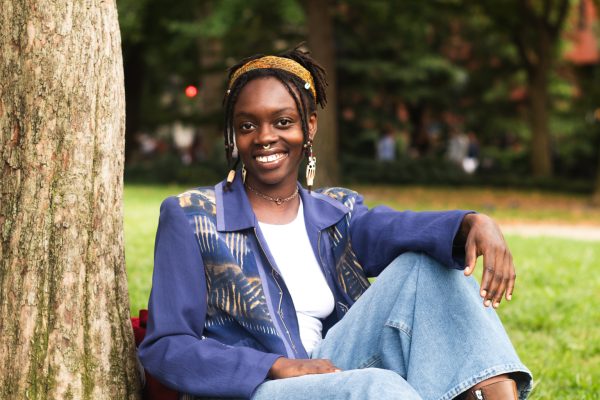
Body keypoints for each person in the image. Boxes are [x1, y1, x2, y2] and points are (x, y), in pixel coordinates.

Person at [138, 47, 532, 400]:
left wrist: (472, 223)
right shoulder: (193, 215)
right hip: (258, 389)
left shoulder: (336, 211)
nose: (264, 137)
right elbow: (167, 345)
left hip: (332, 366)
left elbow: (399, 228)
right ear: (234, 135)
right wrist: (275, 366)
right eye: (247, 126)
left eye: (282, 122)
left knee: (428, 265)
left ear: (308, 126)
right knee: (378, 385)